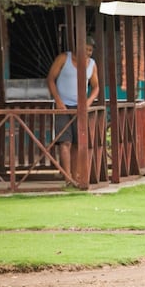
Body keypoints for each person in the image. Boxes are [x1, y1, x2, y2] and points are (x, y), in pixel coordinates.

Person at [46, 37, 100, 184]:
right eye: (86, 49)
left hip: (80, 109)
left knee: (77, 143)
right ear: (78, 47)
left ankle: (75, 175)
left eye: (90, 50)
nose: (88, 53)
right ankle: (67, 176)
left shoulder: (92, 65)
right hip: (62, 107)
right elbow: (50, 79)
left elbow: (96, 87)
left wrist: (87, 103)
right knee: (65, 142)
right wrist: (58, 101)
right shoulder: (64, 58)